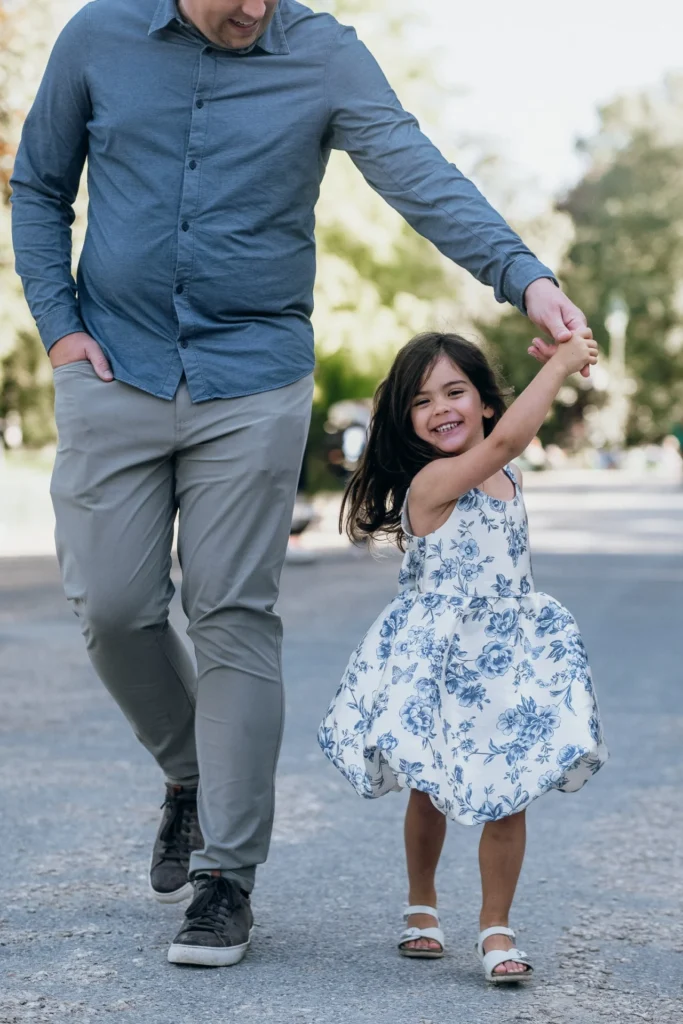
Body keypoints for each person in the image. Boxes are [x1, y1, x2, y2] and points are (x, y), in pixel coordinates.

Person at [11, 0, 588, 968]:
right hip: (112, 363)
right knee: (111, 605)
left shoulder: (320, 54)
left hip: (254, 375)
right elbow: (38, 186)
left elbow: (419, 175)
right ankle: (193, 773)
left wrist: (524, 279)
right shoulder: (96, 37)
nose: (253, 8)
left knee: (231, 610)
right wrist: (59, 328)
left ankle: (225, 878)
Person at [319, 331, 608, 983]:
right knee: (429, 789)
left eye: (455, 392)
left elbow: (507, 450)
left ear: (485, 403)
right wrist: (561, 367)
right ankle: (421, 902)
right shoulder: (432, 483)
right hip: (441, 666)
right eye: (422, 401)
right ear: (406, 421)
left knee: (510, 792)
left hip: (505, 662)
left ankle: (495, 927)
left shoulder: (508, 477)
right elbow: (506, 441)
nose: (440, 408)